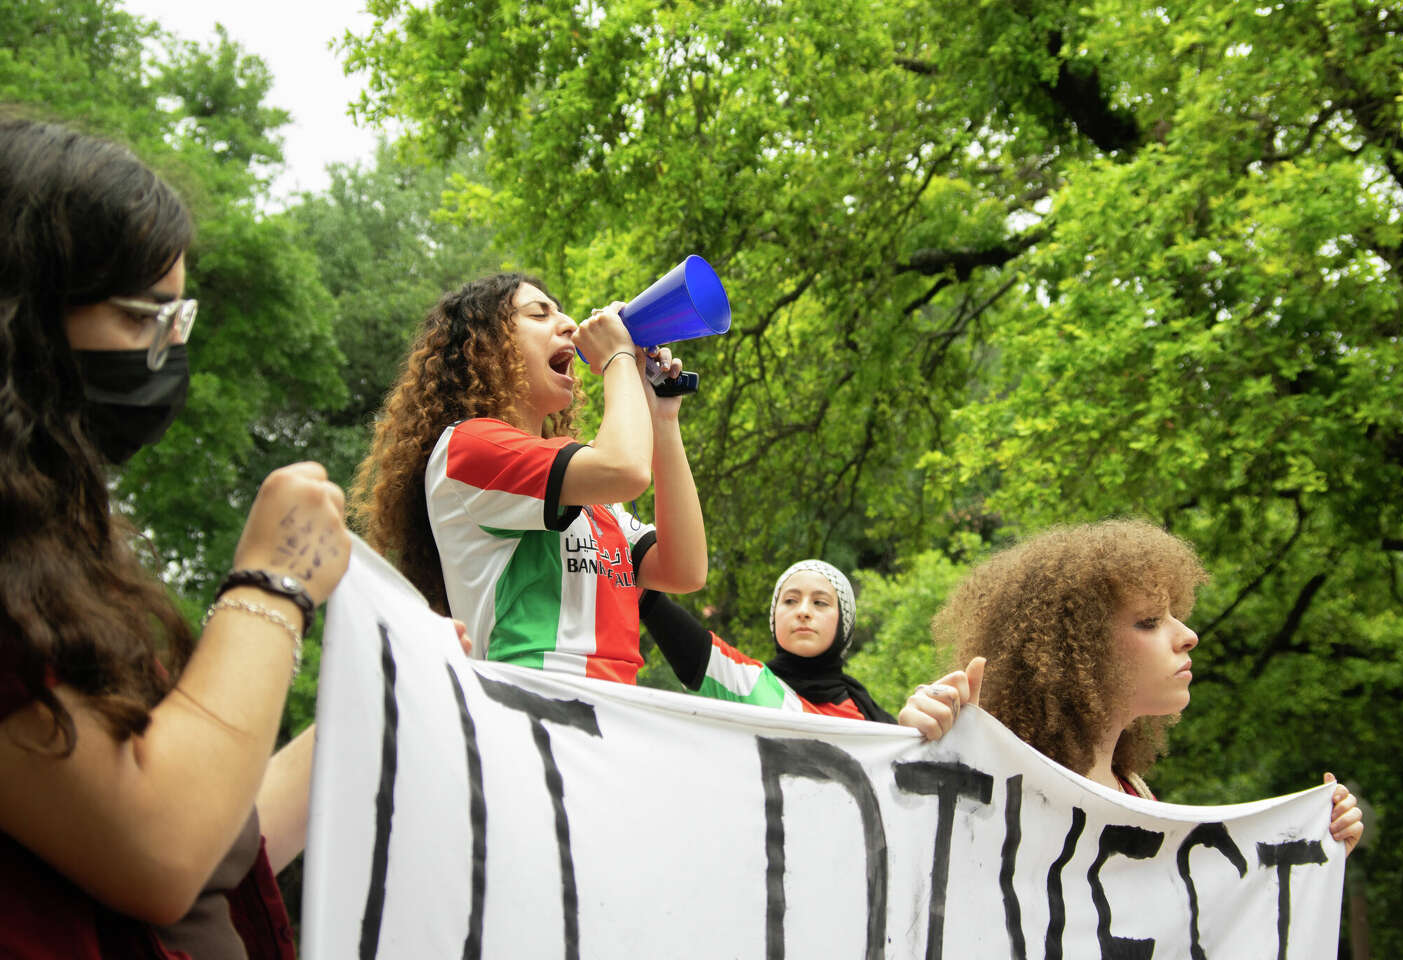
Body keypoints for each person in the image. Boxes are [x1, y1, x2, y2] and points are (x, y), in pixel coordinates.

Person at [0, 115, 352, 957]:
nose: (166, 355)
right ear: (24, 318)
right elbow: (157, 851)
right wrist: (272, 586)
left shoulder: (59, 572)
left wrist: (366, 715)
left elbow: (210, 842)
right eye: (142, 318)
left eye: (179, 322)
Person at [902, 519, 1363, 854]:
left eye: (1174, 615)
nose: (1189, 636)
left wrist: (1315, 851)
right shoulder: (994, 781)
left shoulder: (1136, 790)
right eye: (1149, 621)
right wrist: (935, 751)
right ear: (1074, 652)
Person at [352, 274, 707, 685]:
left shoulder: (587, 493)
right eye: (539, 314)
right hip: (532, 703)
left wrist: (663, 418)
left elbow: (684, 570)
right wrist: (617, 358)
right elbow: (625, 469)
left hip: (613, 713)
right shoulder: (467, 449)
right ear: (485, 348)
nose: (570, 325)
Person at [643, 558, 987, 729]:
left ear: (844, 625)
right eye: (790, 601)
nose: (803, 611)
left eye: (820, 603)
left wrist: (941, 729)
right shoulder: (741, 679)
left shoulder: (876, 722)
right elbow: (650, 600)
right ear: (774, 618)